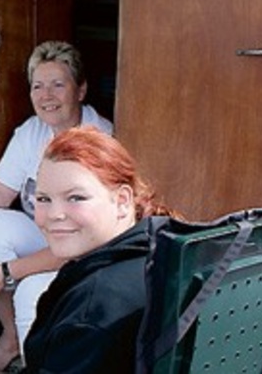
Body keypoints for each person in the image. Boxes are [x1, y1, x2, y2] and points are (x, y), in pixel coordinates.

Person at [0, 41, 113, 372]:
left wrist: (5, 273)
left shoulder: (100, 139)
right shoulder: (32, 131)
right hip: (47, 238)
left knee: (30, 291)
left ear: (81, 90)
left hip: (88, 254)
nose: (46, 95)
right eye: (38, 86)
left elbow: (85, 242)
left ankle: (33, 357)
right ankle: (11, 339)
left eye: (57, 85)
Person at [22, 126, 174, 373]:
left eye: (76, 198)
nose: (54, 214)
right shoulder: (166, 250)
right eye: (43, 199)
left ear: (123, 201)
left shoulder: (93, 308)